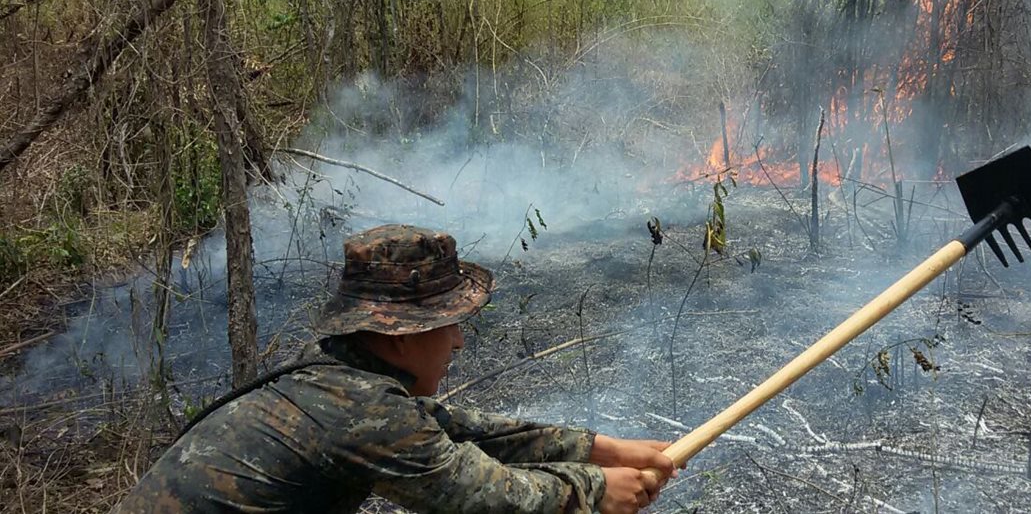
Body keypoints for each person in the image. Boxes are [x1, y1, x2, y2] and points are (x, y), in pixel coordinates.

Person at [115, 224, 677, 513]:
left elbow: (464, 431)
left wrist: (603, 448)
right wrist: (593, 491)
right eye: (448, 322)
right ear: (400, 335)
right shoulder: (364, 413)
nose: (457, 340)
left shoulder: (339, 380)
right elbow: (488, 502)